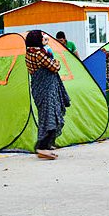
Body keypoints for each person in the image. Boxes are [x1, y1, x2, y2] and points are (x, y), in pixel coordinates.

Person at [25, 30, 71, 160]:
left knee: (47, 116)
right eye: (42, 37)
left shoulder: (30, 52)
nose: (44, 38)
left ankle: (46, 145)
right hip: (46, 90)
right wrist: (57, 62)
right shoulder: (39, 53)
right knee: (50, 117)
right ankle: (41, 146)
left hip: (39, 89)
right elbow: (54, 67)